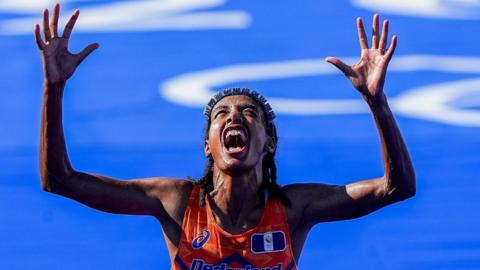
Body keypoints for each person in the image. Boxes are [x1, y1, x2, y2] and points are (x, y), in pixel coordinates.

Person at [35, 3, 415, 270]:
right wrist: (53, 88)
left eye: (249, 113)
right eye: (222, 114)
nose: (235, 115)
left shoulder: (295, 208)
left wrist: (376, 102)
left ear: (268, 143)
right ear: (208, 145)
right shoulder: (177, 202)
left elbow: (397, 188)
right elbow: (60, 181)